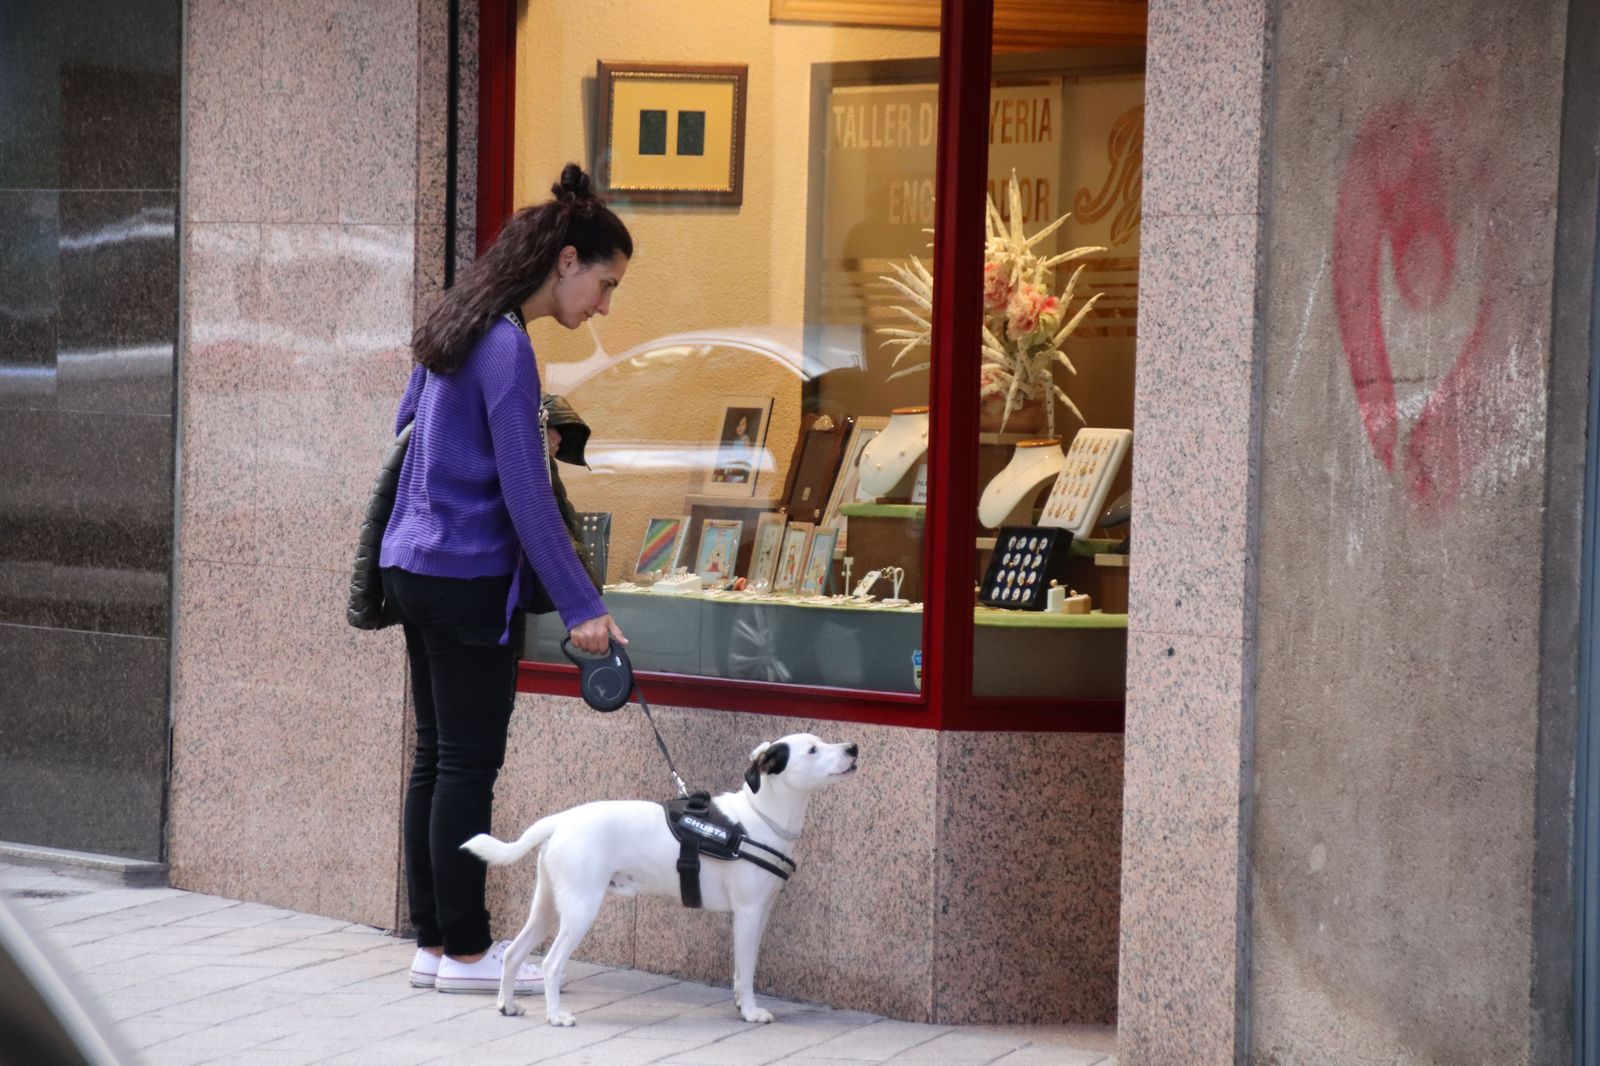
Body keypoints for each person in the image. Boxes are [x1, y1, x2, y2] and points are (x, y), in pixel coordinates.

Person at [379, 163, 630, 995]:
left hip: (413, 563)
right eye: (603, 283)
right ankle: (466, 954)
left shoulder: (458, 324)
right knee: (466, 767)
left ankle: (431, 943)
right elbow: (527, 499)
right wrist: (584, 607)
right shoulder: (509, 348)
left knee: (435, 759)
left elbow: (409, 430)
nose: (602, 304)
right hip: (468, 575)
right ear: (566, 261)